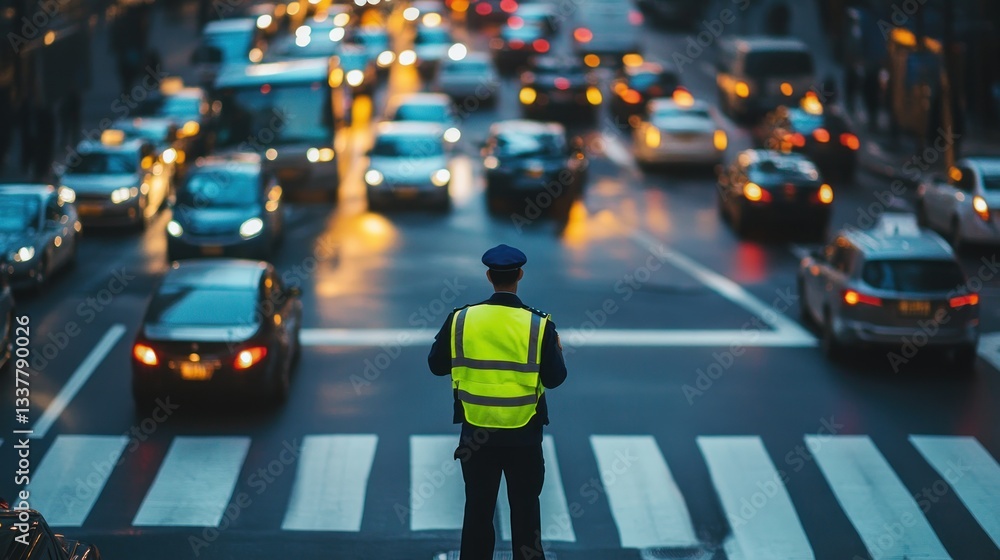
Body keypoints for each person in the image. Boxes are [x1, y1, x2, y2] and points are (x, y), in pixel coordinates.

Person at [428, 244, 567, 560]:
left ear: (489, 276)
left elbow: (436, 366)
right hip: (524, 436)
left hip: (476, 434)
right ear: (520, 275)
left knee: (478, 512)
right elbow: (556, 379)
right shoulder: (538, 325)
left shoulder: (461, 320)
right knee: (526, 514)